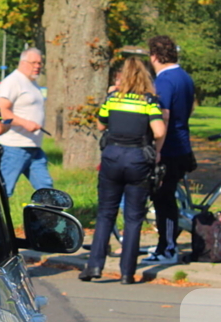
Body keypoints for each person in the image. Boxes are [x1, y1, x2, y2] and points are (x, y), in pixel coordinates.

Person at [80, 57, 166, 284]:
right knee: (133, 218)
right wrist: (156, 150)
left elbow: (101, 124)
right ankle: (127, 272)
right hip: (138, 159)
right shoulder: (149, 100)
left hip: (112, 157)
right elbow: (158, 131)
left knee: (106, 214)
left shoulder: (112, 98)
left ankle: (94, 266)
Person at [144, 35, 195, 265]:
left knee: (163, 200)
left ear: (154, 56)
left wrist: (157, 150)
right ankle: (166, 245)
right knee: (167, 198)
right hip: (182, 144)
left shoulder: (164, 81)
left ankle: (167, 249)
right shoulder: (185, 77)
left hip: (170, 149)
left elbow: (163, 116)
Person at [0, 48, 53, 197]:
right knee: (4, 190)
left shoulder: (32, 83)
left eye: (40, 63)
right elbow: (3, 112)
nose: (37, 66)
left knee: (47, 189)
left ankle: (50, 218)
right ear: (22, 62)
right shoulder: (12, 81)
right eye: (33, 62)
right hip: (14, 147)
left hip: (34, 146)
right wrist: (24, 123)